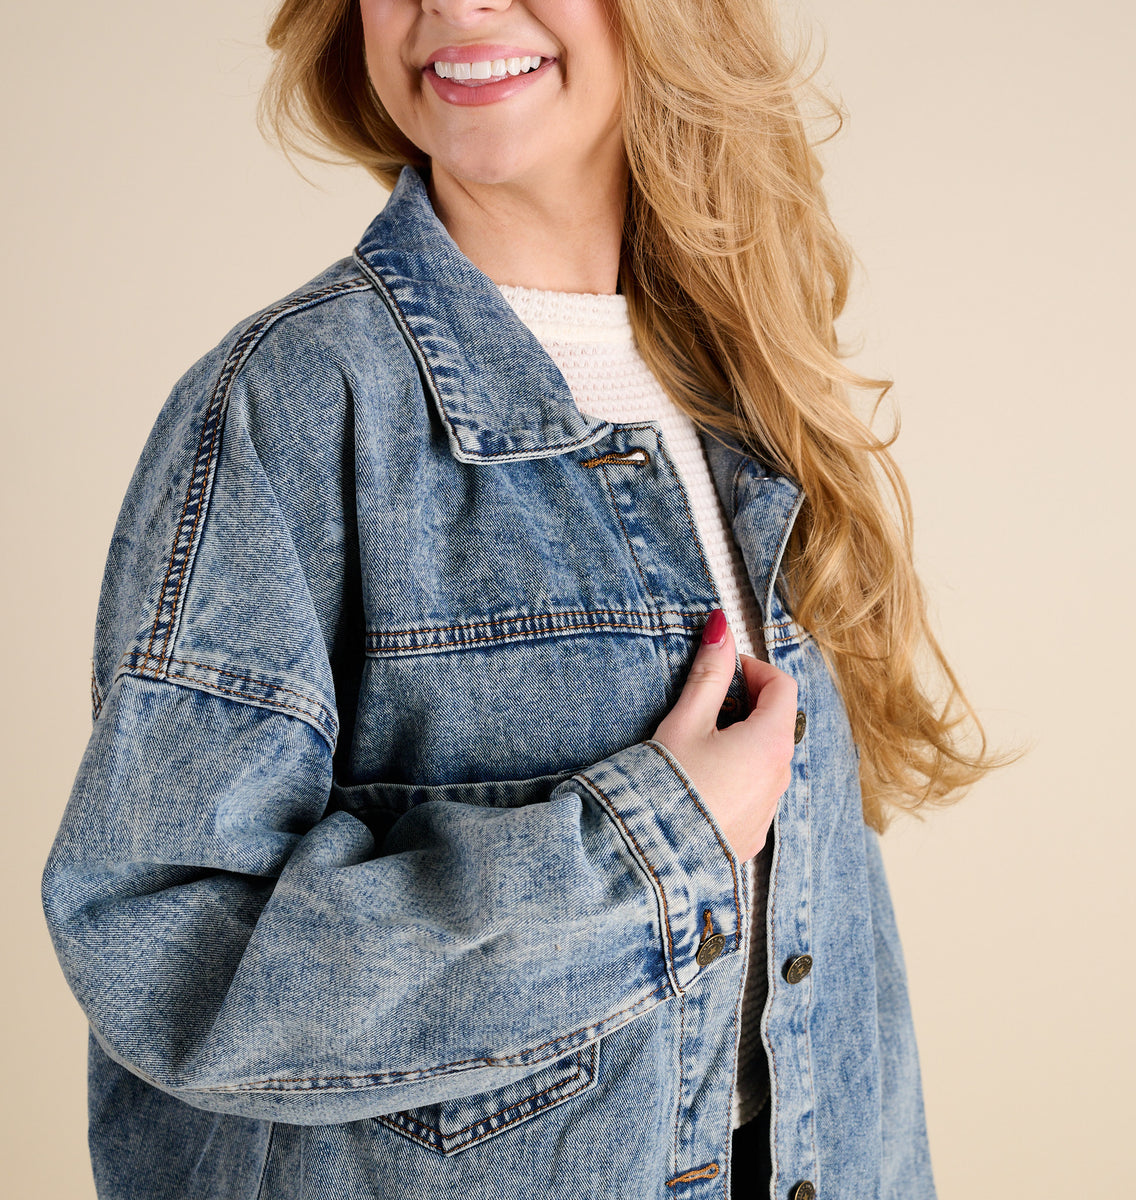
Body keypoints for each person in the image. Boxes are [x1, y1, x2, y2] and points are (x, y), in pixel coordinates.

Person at [42, 1, 1002, 1197]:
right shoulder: (291, 406)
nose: (454, 3)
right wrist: (646, 853)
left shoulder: (749, 388)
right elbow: (168, 959)